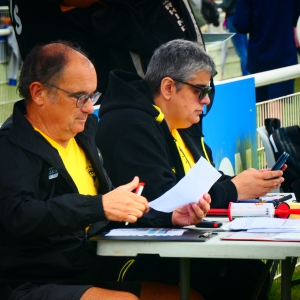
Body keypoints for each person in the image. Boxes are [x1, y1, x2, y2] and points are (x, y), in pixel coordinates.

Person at [0, 41, 210, 300]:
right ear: (38, 93)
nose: (89, 107)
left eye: (92, 96)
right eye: (80, 97)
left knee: (188, 296)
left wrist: (170, 217)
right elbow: (19, 216)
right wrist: (97, 206)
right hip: (28, 283)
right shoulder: (10, 146)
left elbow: (112, 210)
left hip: (89, 272)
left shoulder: (85, 132)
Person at [95, 39, 285, 299]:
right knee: (237, 278)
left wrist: (250, 184)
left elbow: (206, 180)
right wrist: (234, 188)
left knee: (250, 272)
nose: (206, 100)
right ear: (168, 87)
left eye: (208, 91)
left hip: (177, 243)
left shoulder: (186, 120)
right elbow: (163, 201)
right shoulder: (128, 124)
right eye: (199, 90)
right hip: (136, 255)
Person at [233, 0, 299, 102]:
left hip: (259, 56)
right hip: (284, 55)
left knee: (263, 107)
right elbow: (296, 17)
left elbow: (240, 23)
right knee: (276, 107)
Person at [217, 0, 249, 76]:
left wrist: (216, 5)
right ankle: (249, 72)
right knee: (245, 48)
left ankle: (246, 75)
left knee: (242, 51)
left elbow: (226, 5)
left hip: (233, 18)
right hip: (240, 16)